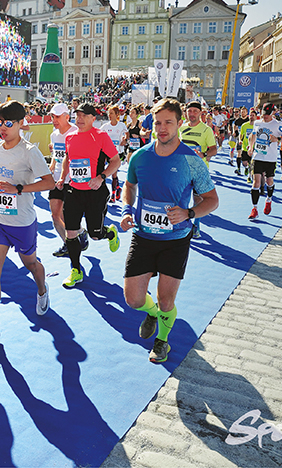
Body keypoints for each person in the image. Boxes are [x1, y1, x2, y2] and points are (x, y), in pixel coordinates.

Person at [120, 98, 218, 363]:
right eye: (158, 122)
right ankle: (150, 313)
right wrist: (127, 210)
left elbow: (212, 199)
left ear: (179, 124)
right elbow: (129, 187)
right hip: (143, 236)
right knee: (133, 299)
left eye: (168, 123)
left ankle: (162, 341)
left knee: (166, 300)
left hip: (175, 239)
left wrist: (189, 213)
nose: (162, 128)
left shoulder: (191, 160)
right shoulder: (139, 156)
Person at [0, 101, 54, 340]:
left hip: (22, 223)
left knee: (30, 264)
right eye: (0, 122)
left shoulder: (30, 151)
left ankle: (42, 288)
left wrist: (18, 188)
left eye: (9, 123)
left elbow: (49, 182)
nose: (3, 127)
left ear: (21, 124)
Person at [56, 103, 121, 288]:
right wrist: (62, 178)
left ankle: (109, 233)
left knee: (94, 234)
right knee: (71, 232)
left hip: (95, 193)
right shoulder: (70, 137)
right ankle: (76, 269)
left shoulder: (101, 136)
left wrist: (101, 177)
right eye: (78, 115)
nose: (80, 118)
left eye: (85, 115)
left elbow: (116, 161)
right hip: (74, 192)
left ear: (94, 118)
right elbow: (67, 159)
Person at [47, 103, 87, 258]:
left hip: (73, 181)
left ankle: (80, 233)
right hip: (56, 180)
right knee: (55, 216)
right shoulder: (54, 134)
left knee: (68, 217)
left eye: (57, 116)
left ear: (67, 116)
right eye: (52, 116)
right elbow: (56, 157)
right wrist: (50, 168)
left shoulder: (76, 132)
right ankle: (69, 244)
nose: (54, 119)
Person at [179, 101, 217, 238]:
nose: (192, 114)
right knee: (180, 198)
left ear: (201, 113)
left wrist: (204, 154)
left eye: (195, 111)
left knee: (198, 200)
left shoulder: (206, 129)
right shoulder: (181, 128)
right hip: (182, 170)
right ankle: (181, 223)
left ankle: (196, 224)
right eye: (190, 111)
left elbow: (214, 150)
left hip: (199, 171)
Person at [247, 103, 282, 220]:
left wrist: (277, 139)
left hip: (271, 158)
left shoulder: (278, 125)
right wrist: (250, 146)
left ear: (272, 113)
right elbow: (253, 135)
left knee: (269, 181)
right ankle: (254, 209)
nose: (265, 117)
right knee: (256, 183)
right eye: (264, 114)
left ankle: (269, 199)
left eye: (268, 115)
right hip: (258, 156)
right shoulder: (257, 123)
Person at [99, 105, 128, 202]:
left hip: (117, 153)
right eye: (108, 113)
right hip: (107, 152)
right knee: (106, 171)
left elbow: (127, 134)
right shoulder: (105, 126)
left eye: (111, 113)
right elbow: (98, 134)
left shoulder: (121, 125)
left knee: (113, 174)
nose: (109, 115)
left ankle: (113, 194)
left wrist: (125, 140)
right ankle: (117, 188)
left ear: (117, 114)